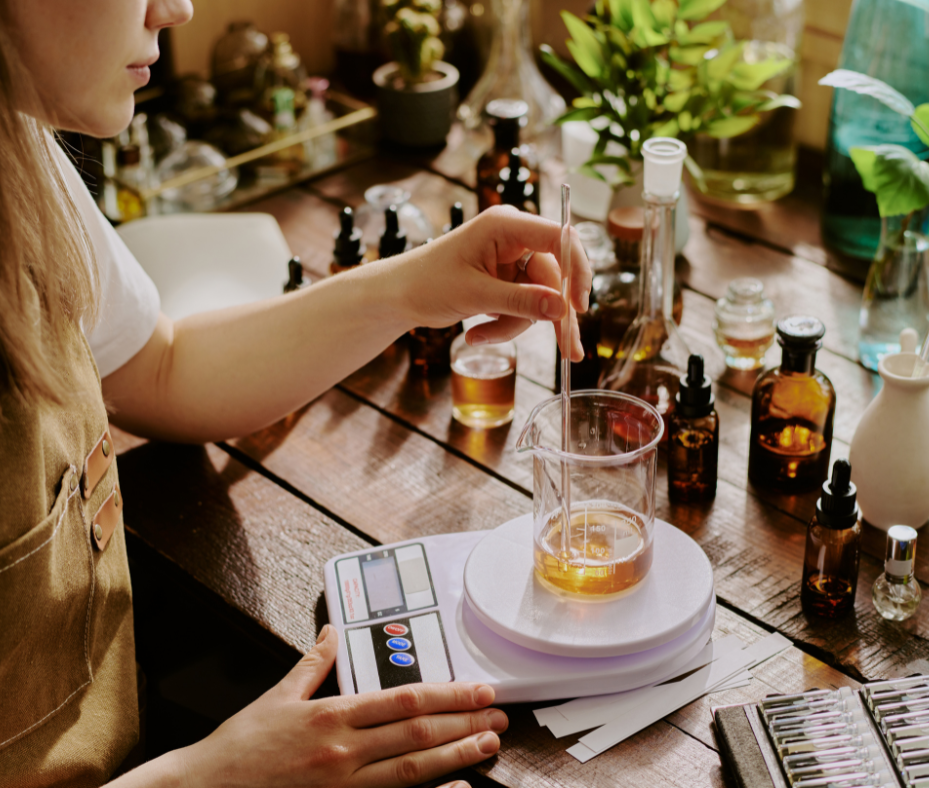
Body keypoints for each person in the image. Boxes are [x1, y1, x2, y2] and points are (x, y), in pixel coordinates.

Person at [0, 1, 592, 786]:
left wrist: (414, 286)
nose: (176, 9)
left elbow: (160, 368)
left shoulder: (21, 153)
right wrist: (218, 775)